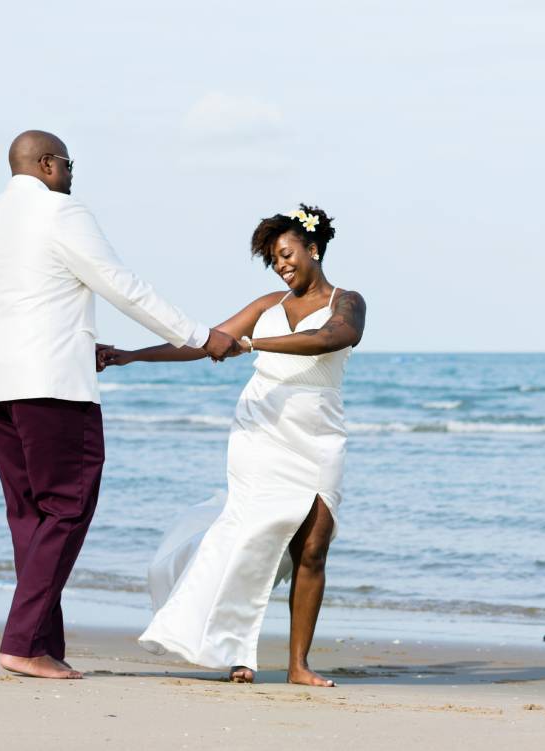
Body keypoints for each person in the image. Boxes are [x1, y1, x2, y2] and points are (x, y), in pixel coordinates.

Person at [0, 130, 241, 680]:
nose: (71, 174)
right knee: (68, 506)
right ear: (46, 164)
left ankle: (41, 642)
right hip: (49, 382)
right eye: (67, 164)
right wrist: (198, 335)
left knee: (30, 515)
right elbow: (122, 285)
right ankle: (21, 644)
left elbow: (23, 297)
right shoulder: (60, 213)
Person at [100, 205, 366, 686]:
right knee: (252, 537)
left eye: (286, 254)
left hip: (319, 432)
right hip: (261, 429)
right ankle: (238, 651)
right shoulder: (266, 305)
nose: (282, 265)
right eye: (274, 260)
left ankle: (298, 665)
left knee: (313, 547)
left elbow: (333, 337)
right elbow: (209, 342)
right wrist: (130, 356)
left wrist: (255, 345)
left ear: (314, 248)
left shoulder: (348, 302)